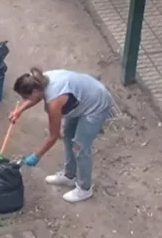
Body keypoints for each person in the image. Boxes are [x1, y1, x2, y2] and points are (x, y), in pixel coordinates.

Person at [9, 67, 113, 203]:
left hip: (96, 105)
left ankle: (84, 189)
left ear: (35, 90)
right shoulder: (39, 80)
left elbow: (53, 135)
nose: (25, 100)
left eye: (26, 97)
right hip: (82, 97)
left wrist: (36, 156)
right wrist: (20, 110)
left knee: (80, 147)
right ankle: (70, 175)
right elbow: (36, 97)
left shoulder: (54, 102)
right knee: (69, 136)